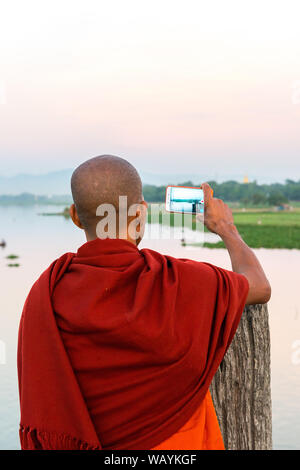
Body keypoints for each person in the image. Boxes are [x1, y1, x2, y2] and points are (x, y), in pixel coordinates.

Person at [17, 155, 271, 450]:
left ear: (75, 216)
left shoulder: (50, 292)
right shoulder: (180, 280)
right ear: (140, 213)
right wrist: (226, 227)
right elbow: (259, 285)